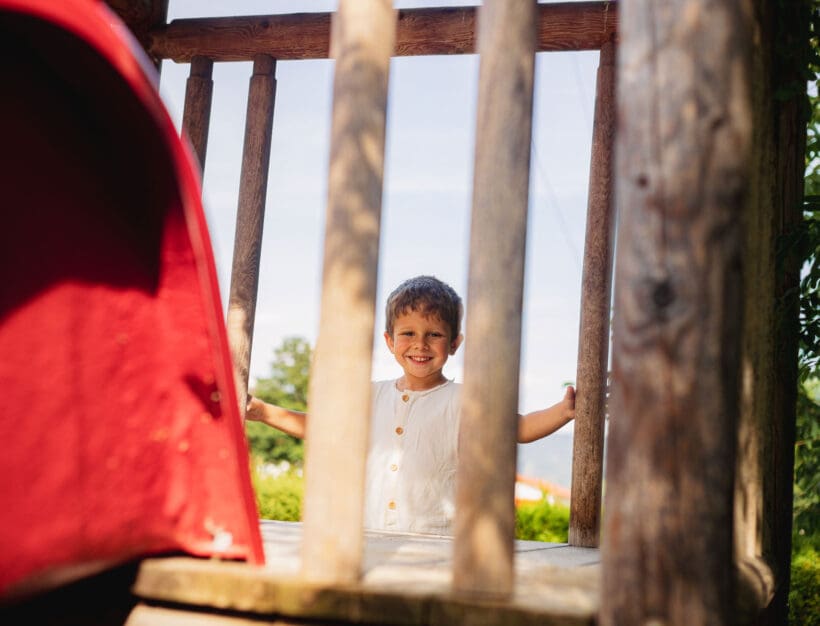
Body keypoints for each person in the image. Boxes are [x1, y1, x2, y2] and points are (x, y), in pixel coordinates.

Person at [246, 275, 575, 535]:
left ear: (455, 343)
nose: (420, 344)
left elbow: (517, 428)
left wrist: (563, 412)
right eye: (408, 333)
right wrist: (262, 411)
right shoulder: (369, 395)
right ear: (389, 341)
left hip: (440, 544)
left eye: (434, 334)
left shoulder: (465, 400)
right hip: (372, 539)